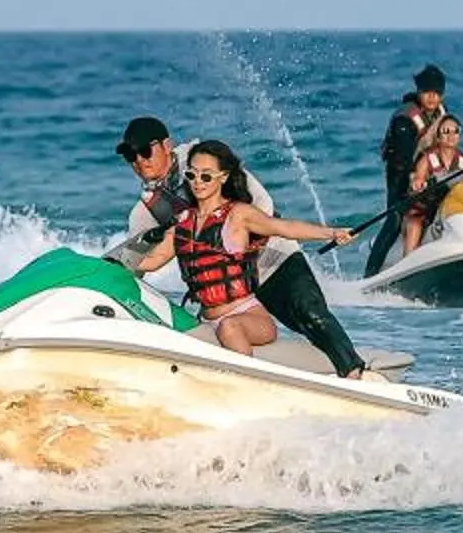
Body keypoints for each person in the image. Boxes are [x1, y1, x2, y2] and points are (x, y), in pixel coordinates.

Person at [112, 114, 374, 378]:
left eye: (145, 151)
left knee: (310, 315)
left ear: (167, 146)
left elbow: (268, 212)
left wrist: (330, 233)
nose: (139, 161)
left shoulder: (207, 161)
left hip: (271, 261)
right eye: (130, 156)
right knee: (233, 329)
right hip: (222, 293)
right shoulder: (144, 214)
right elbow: (145, 263)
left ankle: (355, 372)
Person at [366, 63, 446, 276]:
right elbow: (401, 160)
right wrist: (412, 183)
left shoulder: (440, 114)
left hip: (427, 171)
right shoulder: (405, 118)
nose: (432, 97)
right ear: (419, 92)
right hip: (400, 173)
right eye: (427, 92)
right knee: (395, 219)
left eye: (437, 93)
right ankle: (369, 275)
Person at [395, 114, 463, 266]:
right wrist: (418, 183)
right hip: (423, 211)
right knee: (414, 224)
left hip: (446, 210)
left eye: (456, 131)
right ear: (439, 136)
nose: (451, 135)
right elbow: (419, 176)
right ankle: (406, 264)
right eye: (446, 131)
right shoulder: (428, 158)